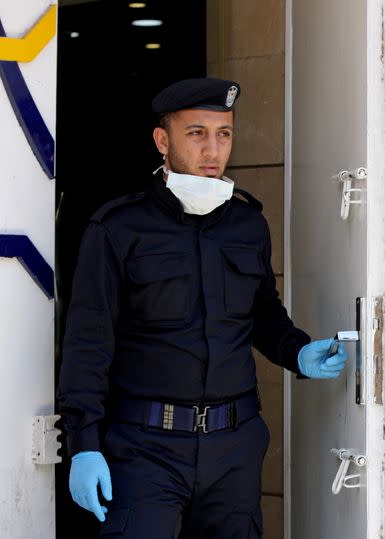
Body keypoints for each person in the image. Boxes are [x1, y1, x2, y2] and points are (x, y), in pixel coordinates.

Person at [57, 78, 349, 538]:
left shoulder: (248, 224)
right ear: (162, 140)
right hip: (144, 449)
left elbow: (262, 312)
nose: (212, 149)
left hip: (234, 448)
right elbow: (88, 344)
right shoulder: (118, 228)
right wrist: (82, 443)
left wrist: (296, 351)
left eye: (224, 134)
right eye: (196, 133)